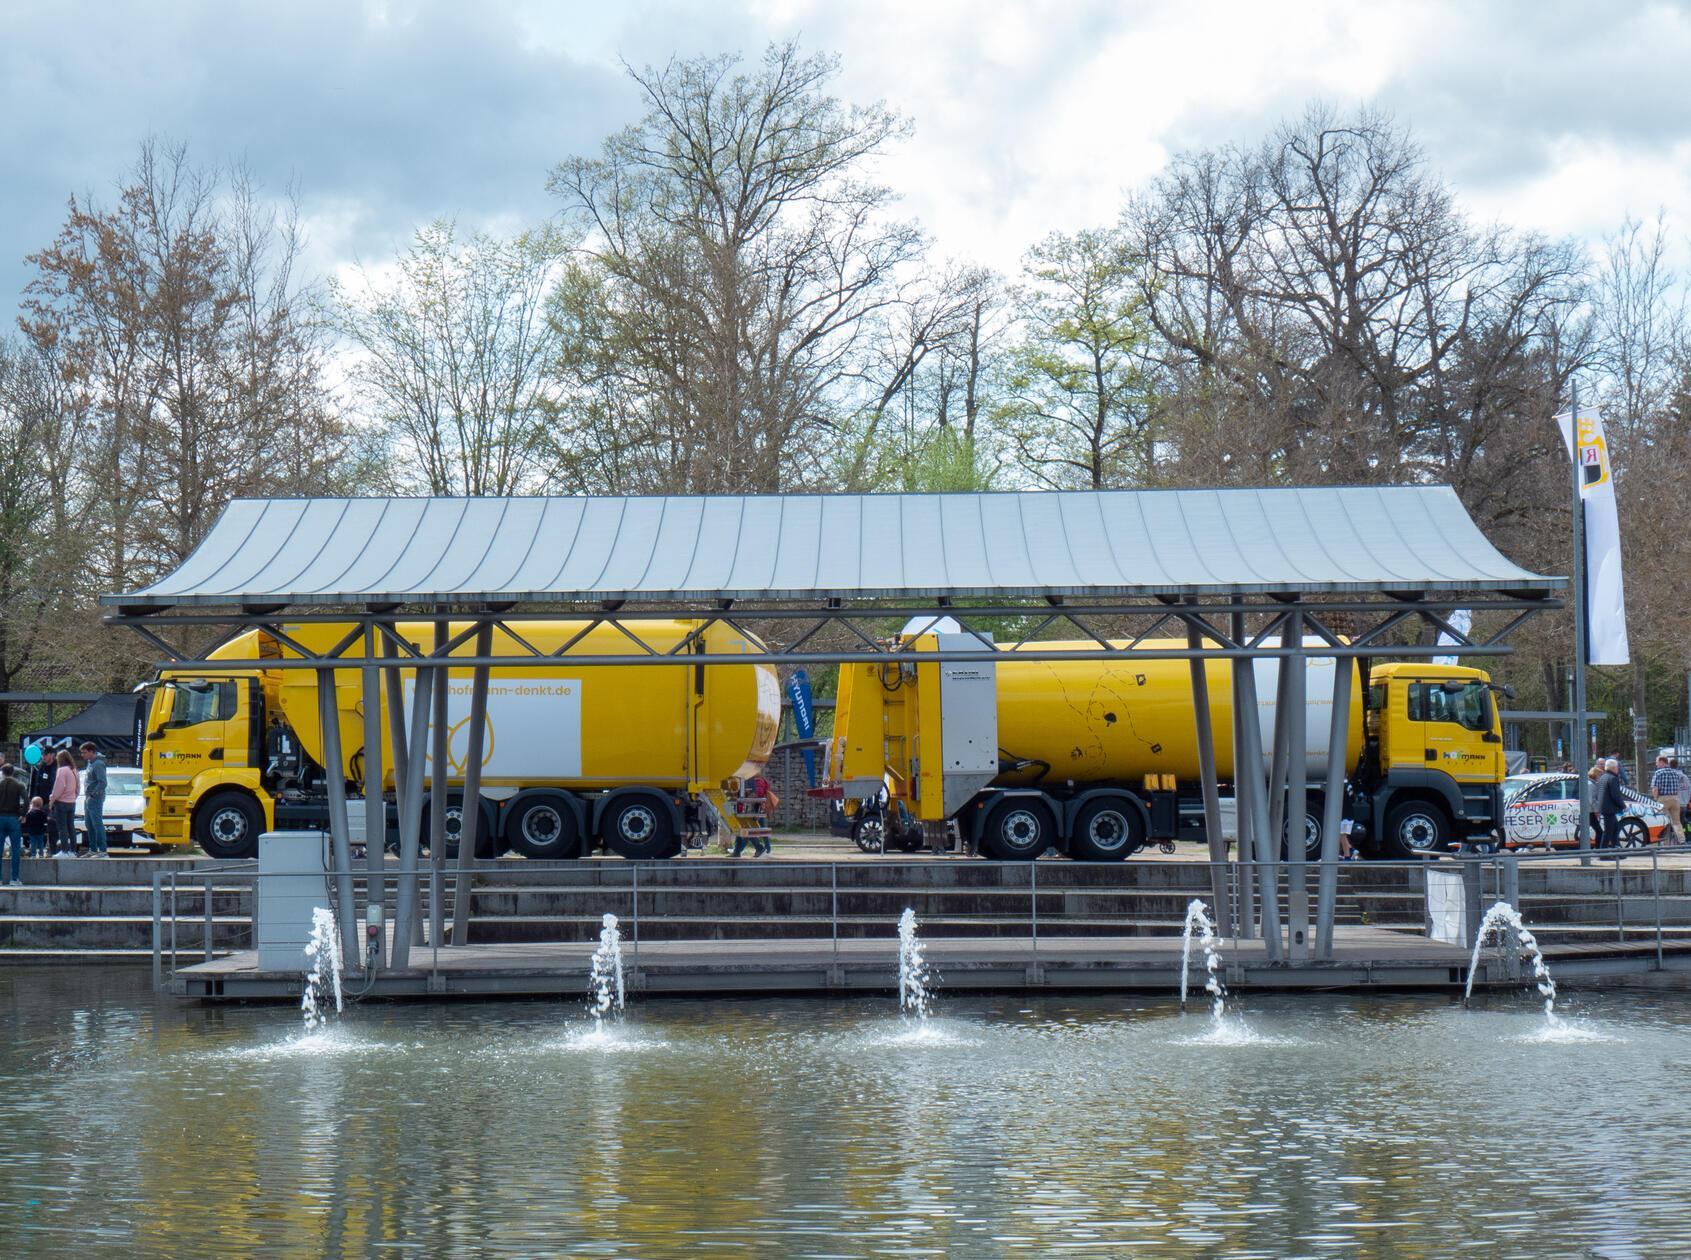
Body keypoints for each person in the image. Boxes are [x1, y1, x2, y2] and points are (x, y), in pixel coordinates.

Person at [48, 749, 79, 857]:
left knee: (62, 828)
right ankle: (73, 851)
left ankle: (64, 851)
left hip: (61, 802)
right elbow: (78, 787)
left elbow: (58, 787)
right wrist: (73, 797)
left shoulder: (61, 770)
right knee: (71, 827)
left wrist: (52, 800)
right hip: (72, 802)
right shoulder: (74, 770)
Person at [80, 741, 108, 856]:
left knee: (97, 824)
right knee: (89, 824)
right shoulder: (90, 763)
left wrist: (92, 795)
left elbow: (103, 782)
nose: (82, 755)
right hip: (88, 798)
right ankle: (93, 849)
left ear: (92, 751)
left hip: (95, 798)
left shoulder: (98, 764)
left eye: (84, 752)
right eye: (82, 753)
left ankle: (103, 850)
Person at [1650, 754, 1685, 844]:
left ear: (1662, 762)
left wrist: (1655, 799)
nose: (1656, 764)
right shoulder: (1675, 773)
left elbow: (1655, 789)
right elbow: (1678, 788)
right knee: (1676, 822)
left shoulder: (1658, 773)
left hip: (1663, 799)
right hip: (1675, 799)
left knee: (1663, 821)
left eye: (1657, 762)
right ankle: (1682, 840)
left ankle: (1665, 843)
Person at [0, 763, 24, 885]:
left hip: (0, 817)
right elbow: (27, 800)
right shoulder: (19, 785)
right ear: (13, 772)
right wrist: (23, 814)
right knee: (15, 850)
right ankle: (14, 878)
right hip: (14, 818)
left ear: (3, 773)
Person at [1595, 758, 1625, 849]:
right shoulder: (1613, 778)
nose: (1618, 769)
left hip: (1604, 807)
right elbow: (1615, 795)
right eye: (1617, 767)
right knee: (1608, 831)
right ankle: (1603, 852)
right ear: (1613, 768)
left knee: (1615, 828)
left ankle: (1615, 848)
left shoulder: (1603, 777)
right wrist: (1623, 805)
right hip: (1610, 809)